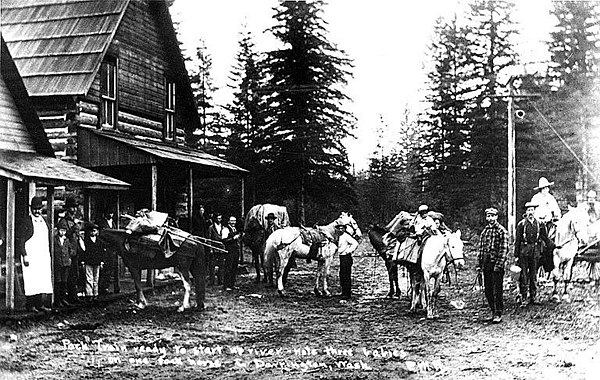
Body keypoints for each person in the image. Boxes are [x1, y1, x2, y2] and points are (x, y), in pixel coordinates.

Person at [514, 201, 555, 306]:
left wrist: (553, 245)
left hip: (535, 252)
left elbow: (545, 237)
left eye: (532, 210)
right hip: (524, 251)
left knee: (534, 274)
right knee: (523, 275)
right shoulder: (521, 224)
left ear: (535, 211)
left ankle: (533, 296)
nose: (530, 212)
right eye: (528, 210)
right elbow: (517, 241)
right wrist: (516, 256)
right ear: (526, 212)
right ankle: (523, 297)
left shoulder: (540, 224)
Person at [17, 196, 53, 313]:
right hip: (31, 256)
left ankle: (39, 304)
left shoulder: (44, 221)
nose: (37, 211)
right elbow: (21, 240)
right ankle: (30, 305)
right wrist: (24, 254)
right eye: (34, 209)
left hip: (41, 255)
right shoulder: (26, 221)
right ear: (30, 208)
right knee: (31, 280)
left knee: (41, 280)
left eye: (39, 209)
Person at [476, 207, 508, 323]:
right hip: (487, 264)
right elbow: (481, 249)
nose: (490, 218)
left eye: (492, 216)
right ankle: (493, 310)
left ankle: (498, 313)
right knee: (488, 289)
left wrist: (498, 265)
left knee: (497, 290)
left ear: (496, 217)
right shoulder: (485, 232)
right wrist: (479, 264)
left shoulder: (501, 231)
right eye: (488, 216)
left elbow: (504, 250)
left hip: (496, 264)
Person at [59, 197, 83, 303]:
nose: (74, 209)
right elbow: (64, 235)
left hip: (75, 250)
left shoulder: (75, 220)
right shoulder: (64, 221)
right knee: (67, 275)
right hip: (67, 252)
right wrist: (73, 229)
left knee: (75, 274)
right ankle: (67, 297)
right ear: (67, 208)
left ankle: (73, 296)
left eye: (75, 207)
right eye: (71, 207)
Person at [79, 222, 106, 301]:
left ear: (97, 232)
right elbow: (83, 251)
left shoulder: (99, 241)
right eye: (91, 231)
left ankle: (95, 294)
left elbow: (102, 252)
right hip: (88, 261)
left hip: (97, 262)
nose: (93, 232)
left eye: (95, 231)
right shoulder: (86, 240)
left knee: (96, 278)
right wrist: (83, 261)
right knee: (89, 278)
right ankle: (89, 294)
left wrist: (102, 261)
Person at [53, 219, 76, 307]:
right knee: (58, 282)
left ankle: (63, 299)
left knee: (64, 281)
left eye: (64, 231)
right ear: (58, 230)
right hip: (58, 263)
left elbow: (71, 250)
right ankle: (57, 300)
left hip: (66, 263)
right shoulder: (55, 240)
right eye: (61, 230)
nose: (63, 233)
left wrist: (69, 257)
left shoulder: (66, 240)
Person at [335, 224, 359, 302]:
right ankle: (344, 292)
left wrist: (348, 251)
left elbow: (355, 243)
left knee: (346, 275)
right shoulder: (338, 236)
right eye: (339, 228)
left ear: (344, 229)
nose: (341, 230)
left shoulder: (346, 236)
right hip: (342, 257)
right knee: (342, 275)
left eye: (342, 228)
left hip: (346, 257)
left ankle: (347, 294)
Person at [97, 207, 117, 295]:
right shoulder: (102, 223)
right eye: (109, 213)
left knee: (110, 268)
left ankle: (106, 287)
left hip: (111, 249)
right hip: (104, 248)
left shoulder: (113, 223)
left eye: (112, 213)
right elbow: (100, 236)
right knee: (104, 269)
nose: (111, 215)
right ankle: (101, 288)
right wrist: (104, 245)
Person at [221, 216, 242, 291]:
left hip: (235, 250)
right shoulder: (226, 229)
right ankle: (226, 285)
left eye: (234, 221)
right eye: (232, 221)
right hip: (229, 251)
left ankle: (232, 284)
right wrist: (233, 238)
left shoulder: (234, 229)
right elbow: (224, 240)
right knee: (228, 268)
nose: (233, 222)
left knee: (234, 268)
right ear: (228, 222)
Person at [207, 213, 224, 285]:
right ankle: (212, 281)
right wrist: (210, 248)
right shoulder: (211, 227)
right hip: (214, 248)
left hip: (221, 249)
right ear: (215, 219)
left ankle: (220, 281)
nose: (219, 220)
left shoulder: (223, 227)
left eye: (220, 218)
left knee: (221, 265)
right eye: (218, 218)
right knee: (212, 266)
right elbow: (209, 238)